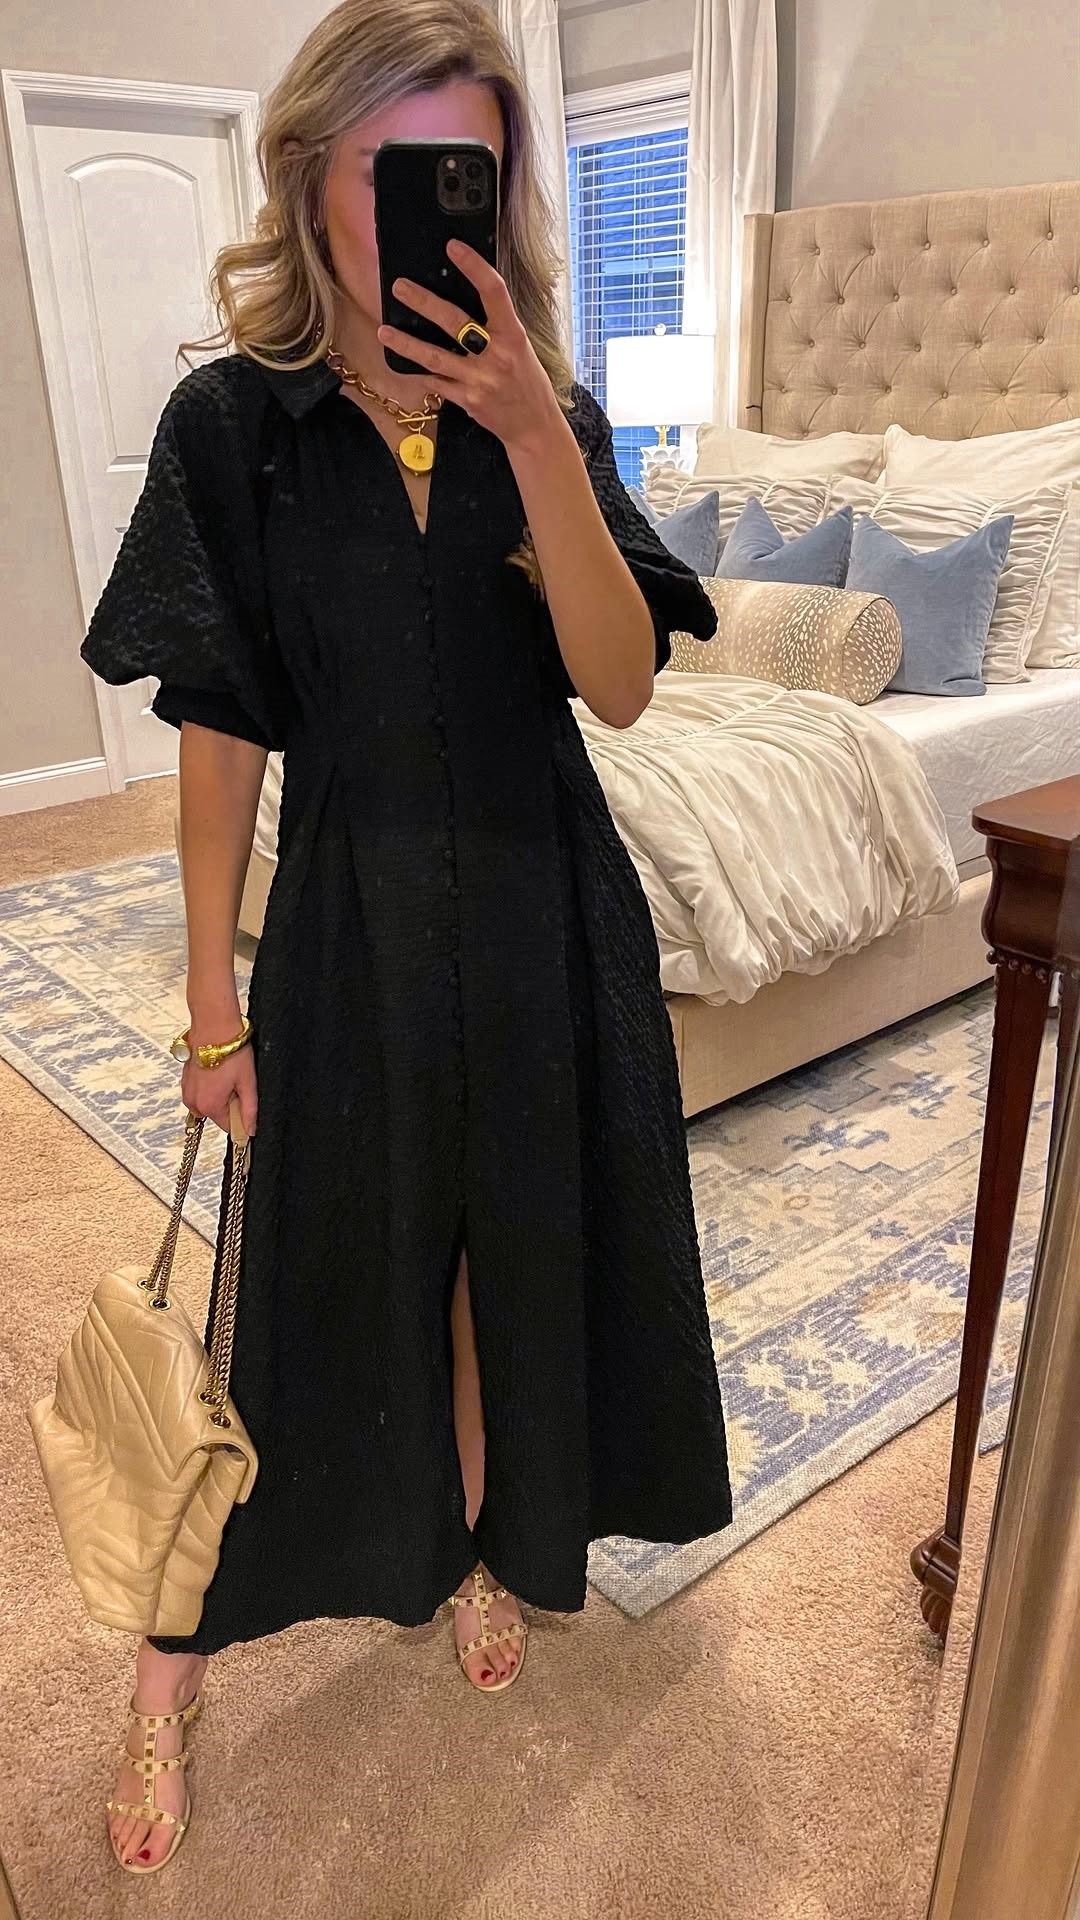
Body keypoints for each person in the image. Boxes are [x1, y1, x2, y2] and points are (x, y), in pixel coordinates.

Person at [79, 0, 733, 1874]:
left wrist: (534, 432)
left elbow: (620, 687)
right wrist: (208, 999)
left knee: (502, 1258)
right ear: (312, 178)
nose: (432, 210)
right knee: (297, 1282)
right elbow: (219, 725)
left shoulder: (555, 415)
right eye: (394, 171)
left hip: (545, 908)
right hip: (349, 913)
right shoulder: (235, 427)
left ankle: (482, 1546)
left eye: (469, 170)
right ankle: (167, 1676)